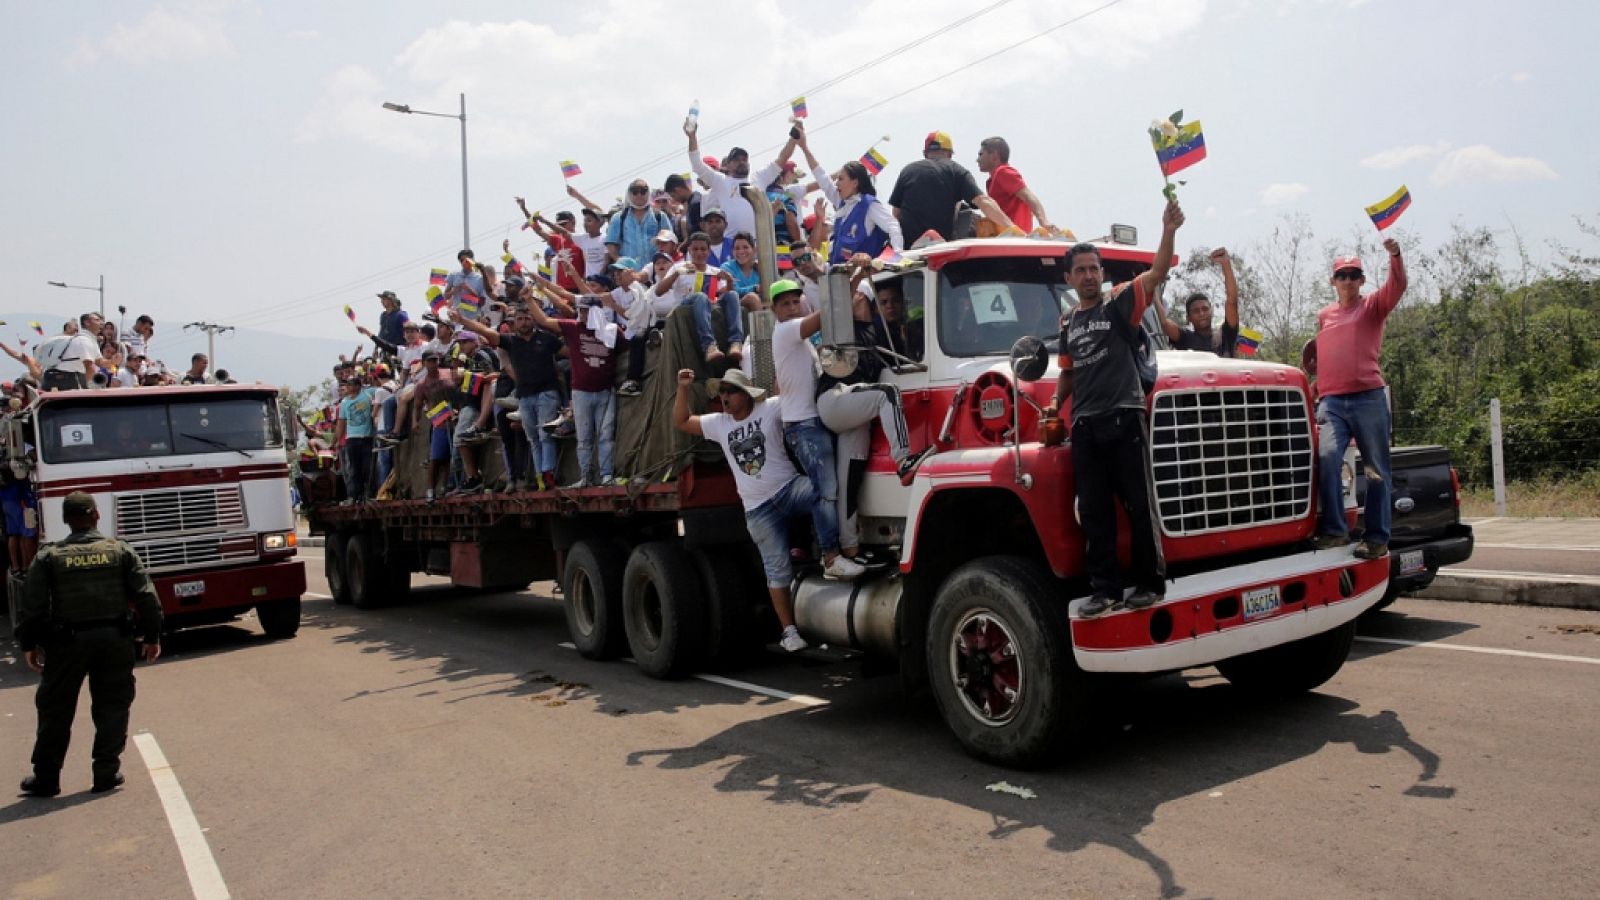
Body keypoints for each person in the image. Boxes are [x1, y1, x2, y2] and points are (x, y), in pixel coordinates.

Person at [1043, 199, 1184, 617]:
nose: (1088, 275)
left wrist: (1168, 230)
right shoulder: (1068, 322)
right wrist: (1056, 402)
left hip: (1125, 417)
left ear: (1103, 274)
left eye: (1094, 269)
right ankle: (1104, 591)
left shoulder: (1120, 301)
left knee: (1140, 506)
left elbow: (1156, 273)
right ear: (1069, 278)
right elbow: (1067, 371)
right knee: (1094, 513)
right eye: (1080, 270)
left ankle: (1150, 585)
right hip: (1085, 426)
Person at [15, 491, 162, 797]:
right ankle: (106, 773)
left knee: (55, 709)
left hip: (66, 644)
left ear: (66, 520)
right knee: (113, 706)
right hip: (114, 640)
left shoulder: (49, 556)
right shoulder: (119, 551)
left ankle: (47, 778)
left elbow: (32, 607)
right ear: (96, 515)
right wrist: (152, 637)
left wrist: (30, 644)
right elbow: (147, 597)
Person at [673, 368, 814, 652]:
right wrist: (683, 388)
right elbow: (682, 421)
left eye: (731, 391)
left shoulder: (769, 408)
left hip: (788, 489)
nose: (724, 397)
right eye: (722, 392)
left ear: (746, 394)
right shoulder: (719, 423)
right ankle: (789, 633)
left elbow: (796, 398)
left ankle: (833, 553)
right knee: (776, 569)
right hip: (758, 509)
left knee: (825, 491)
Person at [812, 266, 928, 557]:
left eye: (894, 301)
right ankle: (904, 460)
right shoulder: (847, 327)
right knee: (887, 394)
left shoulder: (888, 334)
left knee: (850, 480)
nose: (889, 306)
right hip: (835, 399)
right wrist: (858, 275)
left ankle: (850, 547)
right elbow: (839, 303)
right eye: (882, 301)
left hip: (857, 408)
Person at [1313, 239, 1408, 559]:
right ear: (1333, 281)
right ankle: (1336, 531)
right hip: (1332, 402)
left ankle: (1377, 538)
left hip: (1368, 398)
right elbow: (1328, 356)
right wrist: (1316, 386)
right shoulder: (1324, 315)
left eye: (1354, 275)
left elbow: (1397, 286)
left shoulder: (1373, 307)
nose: (1348, 280)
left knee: (1375, 469)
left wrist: (1395, 256)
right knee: (1328, 457)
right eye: (1342, 275)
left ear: (1362, 280)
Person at [768, 279, 866, 581]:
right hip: (804, 425)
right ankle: (831, 557)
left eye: (795, 302)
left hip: (810, 422)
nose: (792, 308)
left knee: (828, 490)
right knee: (825, 492)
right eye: (785, 304)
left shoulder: (800, 339)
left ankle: (832, 549)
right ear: (773, 309)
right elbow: (828, 313)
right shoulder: (787, 330)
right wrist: (851, 281)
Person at [456, 301, 566, 491]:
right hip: (525, 396)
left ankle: (548, 473)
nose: (524, 322)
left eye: (527, 318)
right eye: (520, 319)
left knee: (545, 434)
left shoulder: (547, 338)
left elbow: (569, 352)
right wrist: (463, 320)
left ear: (534, 320)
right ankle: (540, 476)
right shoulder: (511, 341)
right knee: (533, 438)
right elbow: (486, 332)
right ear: (515, 322)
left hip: (547, 393)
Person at [796, 125, 903, 265]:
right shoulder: (841, 202)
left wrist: (898, 255)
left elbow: (892, 225)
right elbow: (822, 177)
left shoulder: (869, 205)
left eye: (841, 179)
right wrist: (804, 148)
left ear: (855, 183)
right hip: (838, 271)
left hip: (862, 273)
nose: (836, 183)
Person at [889, 131, 1016, 244]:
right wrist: (1013, 229)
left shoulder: (907, 171)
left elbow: (896, 213)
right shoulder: (956, 171)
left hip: (908, 249)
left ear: (925, 153)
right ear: (949, 154)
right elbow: (984, 202)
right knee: (964, 210)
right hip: (940, 249)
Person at [653, 232, 743, 366]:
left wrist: (729, 281)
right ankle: (709, 346)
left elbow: (723, 293)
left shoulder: (714, 271)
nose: (699, 253)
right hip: (685, 306)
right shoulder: (679, 267)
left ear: (709, 251)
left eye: (703, 249)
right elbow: (658, 291)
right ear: (689, 250)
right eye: (695, 249)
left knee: (733, 295)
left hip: (709, 305)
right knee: (700, 296)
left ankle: (736, 342)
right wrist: (677, 273)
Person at [1156, 247, 1241, 356]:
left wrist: (1226, 265)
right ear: (1188, 318)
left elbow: (1232, 301)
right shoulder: (1185, 338)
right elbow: (1163, 322)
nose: (1201, 313)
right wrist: (1153, 287)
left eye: (1205, 309)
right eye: (1196, 311)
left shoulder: (1225, 335)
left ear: (1211, 311)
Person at [975, 136, 1059, 235]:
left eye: (981, 154)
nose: (977, 160)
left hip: (1016, 236)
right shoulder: (990, 181)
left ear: (994, 156)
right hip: (1006, 235)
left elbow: (1027, 195)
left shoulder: (1002, 171)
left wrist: (1044, 221)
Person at [605, 179, 674, 266]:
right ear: (629, 194)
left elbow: (670, 241)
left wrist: (663, 262)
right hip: (628, 271)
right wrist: (619, 261)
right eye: (635, 192)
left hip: (656, 269)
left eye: (643, 191)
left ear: (648, 193)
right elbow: (611, 244)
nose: (639, 195)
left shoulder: (660, 216)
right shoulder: (618, 218)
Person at [335, 376, 376, 502]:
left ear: (358, 386)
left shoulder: (367, 394)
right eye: (348, 385)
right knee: (354, 468)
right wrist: (338, 440)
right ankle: (356, 495)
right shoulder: (344, 402)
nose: (349, 387)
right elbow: (341, 422)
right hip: (351, 439)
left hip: (366, 437)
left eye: (351, 384)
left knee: (367, 467)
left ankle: (368, 494)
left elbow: (379, 388)